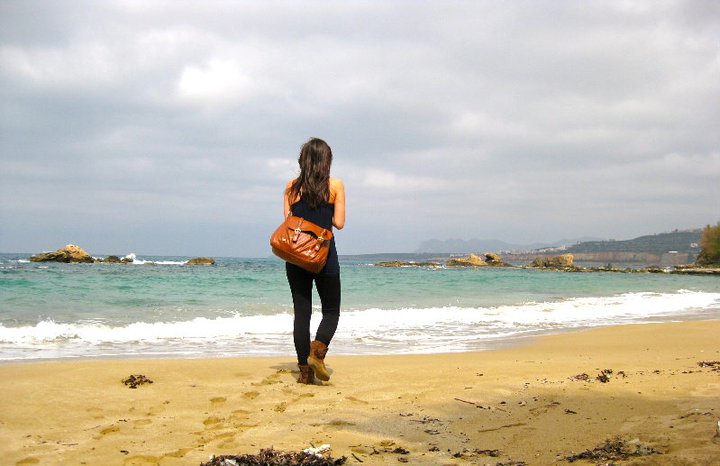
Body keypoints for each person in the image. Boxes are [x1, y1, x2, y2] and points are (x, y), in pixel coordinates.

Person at [283, 138, 345, 384]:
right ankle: (317, 355)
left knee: (302, 314)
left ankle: (305, 373)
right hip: (323, 255)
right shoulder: (335, 185)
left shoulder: (291, 187)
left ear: (303, 161)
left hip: (296, 256)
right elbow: (339, 223)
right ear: (326, 161)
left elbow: (289, 223)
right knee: (331, 311)